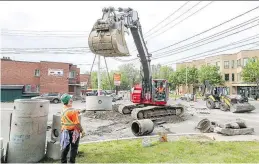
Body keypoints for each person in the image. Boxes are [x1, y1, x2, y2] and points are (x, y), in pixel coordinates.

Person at [60, 93, 86, 163]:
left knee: (65, 148)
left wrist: (79, 111)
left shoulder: (63, 108)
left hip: (65, 131)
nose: (72, 100)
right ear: (69, 101)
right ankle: (71, 162)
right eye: (70, 99)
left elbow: (69, 111)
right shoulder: (73, 112)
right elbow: (77, 123)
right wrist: (82, 131)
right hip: (73, 132)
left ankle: (63, 162)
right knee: (74, 148)